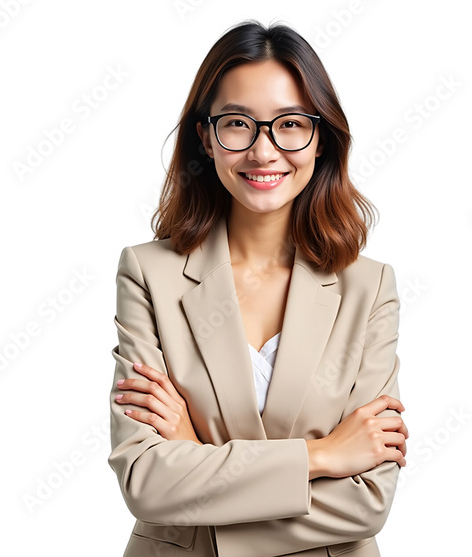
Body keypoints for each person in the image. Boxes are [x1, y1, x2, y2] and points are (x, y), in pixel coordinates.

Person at [107, 21, 406, 557]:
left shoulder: (369, 287)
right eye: (238, 124)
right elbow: (147, 481)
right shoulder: (148, 273)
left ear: (321, 139)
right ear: (206, 137)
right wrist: (321, 457)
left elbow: (367, 502)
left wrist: (196, 460)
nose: (264, 152)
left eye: (290, 124)